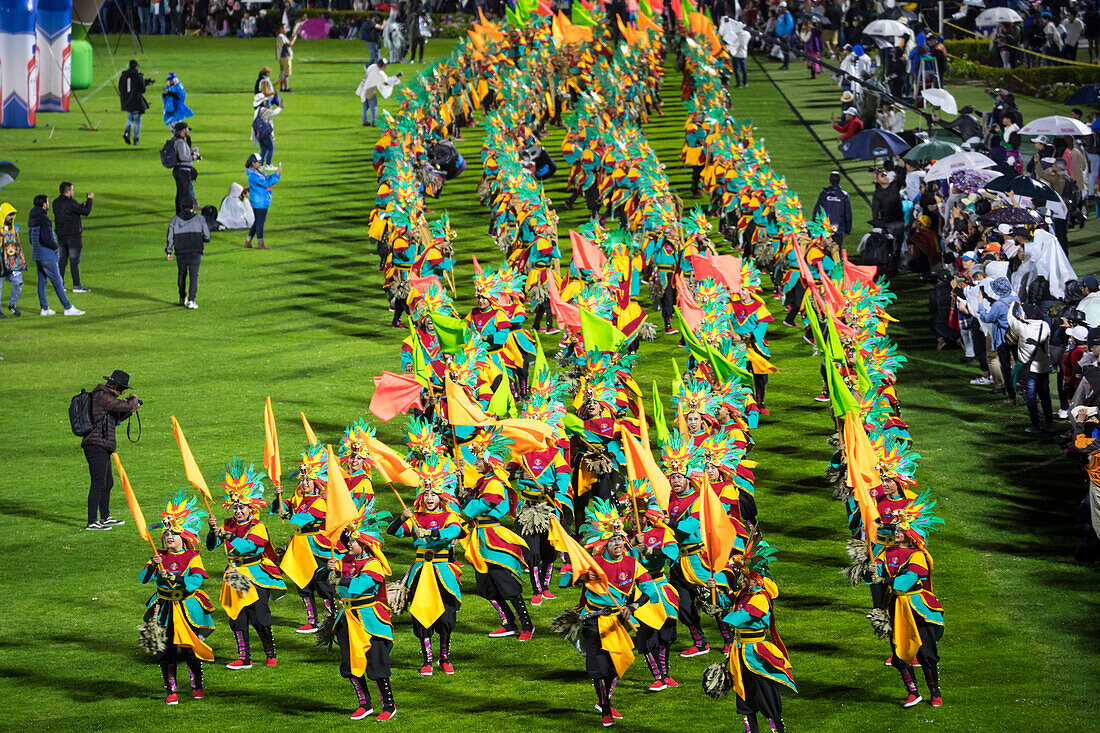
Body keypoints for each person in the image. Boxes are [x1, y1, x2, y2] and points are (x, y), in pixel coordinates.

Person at [703, 533, 796, 733]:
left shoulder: (761, 598)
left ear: (754, 581)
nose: (741, 579)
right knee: (744, 698)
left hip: (756, 654)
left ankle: (777, 730)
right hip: (739, 654)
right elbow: (727, 601)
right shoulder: (743, 594)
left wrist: (721, 613)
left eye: (745, 577)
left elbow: (742, 616)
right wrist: (714, 592)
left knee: (765, 697)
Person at [387, 455, 466, 676]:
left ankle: (445, 657)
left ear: (441, 497)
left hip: (442, 572)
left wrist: (430, 532)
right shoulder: (415, 517)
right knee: (421, 614)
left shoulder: (450, 515)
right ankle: (427, 660)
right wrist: (402, 519)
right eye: (426, 494)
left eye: (433, 494)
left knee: (446, 616)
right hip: (421, 573)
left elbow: (453, 532)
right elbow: (393, 532)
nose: (429, 497)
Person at [207, 458, 286, 670]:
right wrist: (211, 529)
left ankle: (270, 652)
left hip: (255, 572)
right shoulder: (228, 525)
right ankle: (244, 658)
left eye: (242, 507)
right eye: (235, 507)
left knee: (258, 615)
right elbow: (211, 545)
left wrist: (228, 536)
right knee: (237, 616)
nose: (238, 511)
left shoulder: (258, 526)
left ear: (251, 508)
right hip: (235, 574)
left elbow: (249, 547)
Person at [140, 491, 215, 705]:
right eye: (167, 533)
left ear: (185, 536)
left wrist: (175, 577)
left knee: (189, 649)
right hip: (163, 608)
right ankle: (171, 691)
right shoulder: (159, 556)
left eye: (173, 532)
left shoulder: (193, 556)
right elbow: (143, 578)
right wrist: (154, 565)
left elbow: (196, 581)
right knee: (165, 651)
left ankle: (197, 685)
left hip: (186, 607)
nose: (169, 536)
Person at [323, 511, 398, 722]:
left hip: (370, 620)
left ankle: (389, 705)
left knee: (376, 663)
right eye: (348, 540)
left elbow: (357, 587)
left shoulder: (374, 564)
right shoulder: (343, 561)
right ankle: (364, 703)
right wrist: (329, 570)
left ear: (364, 544)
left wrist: (336, 579)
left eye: (353, 541)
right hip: (347, 619)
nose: (348, 543)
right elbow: (326, 580)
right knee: (350, 663)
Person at [81, 369, 141, 530]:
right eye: (121, 389)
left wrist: (131, 409)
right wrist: (133, 401)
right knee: (98, 483)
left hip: (102, 445)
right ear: (114, 385)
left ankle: (105, 517)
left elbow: (116, 417)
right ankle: (92, 521)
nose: (121, 393)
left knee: (107, 482)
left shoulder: (104, 397)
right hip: (96, 445)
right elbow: (121, 405)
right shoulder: (102, 395)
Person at [29, 195, 83, 317]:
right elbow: (46, 237)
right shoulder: (44, 219)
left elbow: (32, 239)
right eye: (47, 202)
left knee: (42, 282)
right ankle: (68, 308)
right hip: (47, 255)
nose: (48, 204)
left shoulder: (32, 218)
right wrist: (54, 246)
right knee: (58, 281)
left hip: (37, 254)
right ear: (44, 204)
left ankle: (44, 309)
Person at [1008, 302, 1053, 433]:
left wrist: (1014, 304)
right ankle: (1050, 424)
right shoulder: (1045, 326)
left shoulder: (1022, 327)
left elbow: (1010, 318)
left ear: (1026, 315)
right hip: (1043, 368)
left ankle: (1035, 425)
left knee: (1031, 398)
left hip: (1029, 370)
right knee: (1045, 397)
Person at [165, 197, 211, 309]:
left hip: (181, 251)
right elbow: (207, 236)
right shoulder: (200, 219)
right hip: (195, 251)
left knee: (182, 274)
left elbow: (170, 237)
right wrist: (200, 240)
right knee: (193, 276)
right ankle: (191, 300)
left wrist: (169, 251)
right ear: (192, 207)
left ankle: (182, 298)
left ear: (181, 207)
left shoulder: (175, 220)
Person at [52, 182, 94, 293]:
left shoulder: (55, 203)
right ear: (68, 191)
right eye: (72, 190)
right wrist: (89, 200)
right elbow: (86, 212)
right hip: (73, 237)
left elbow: (68, 211)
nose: (73, 192)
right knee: (74, 261)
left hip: (61, 237)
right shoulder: (71, 203)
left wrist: (77, 206)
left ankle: (60, 286)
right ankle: (76, 285)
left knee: (62, 261)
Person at [245, 154, 281, 249]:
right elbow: (266, 183)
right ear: (253, 163)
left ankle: (248, 241)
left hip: (260, 200)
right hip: (259, 201)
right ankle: (260, 243)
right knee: (260, 222)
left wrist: (275, 174)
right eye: (259, 162)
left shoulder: (257, 172)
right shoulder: (254, 175)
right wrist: (277, 175)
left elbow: (268, 177)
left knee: (257, 221)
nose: (261, 164)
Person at [812, 172, 852, 251]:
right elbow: (848, 214)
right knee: (836, 252)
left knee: (824, 252)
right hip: (838, 229)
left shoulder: (824, 194)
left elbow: (817, 211)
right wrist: (847, 230)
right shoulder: (844, 195)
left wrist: (815, 227)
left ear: (829, 181)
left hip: (825, 229)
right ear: (839, 181)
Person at [356, 60, 402, 127]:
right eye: (384, 65)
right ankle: (374, 122)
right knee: (373, 106)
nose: (385, 67)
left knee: (365, 107)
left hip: (363, 88)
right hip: (370, 90)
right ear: (382, 65)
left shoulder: (373, 67)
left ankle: (364, 121)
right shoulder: (379, 73)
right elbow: (386, 83)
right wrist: (396, 77)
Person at [118, 59, 153, 145]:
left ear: (129, 66)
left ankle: (127, 132)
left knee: (130, 119)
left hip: (126, 101)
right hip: (136, 101)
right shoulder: (138, 76)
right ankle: (136, 139)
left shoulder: (123, 76)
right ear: (136, 67)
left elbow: (120, 88)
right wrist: (146, 83)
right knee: (137, 120)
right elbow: (142, 89)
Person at [1, 202, 26, 317]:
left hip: (13, 264)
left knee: (18, 282)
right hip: (0, 264)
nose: (11, 217)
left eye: (12, 214)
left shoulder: (15, 228)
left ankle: (13, 305)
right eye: (9, 214)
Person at [170, 122, 199, 215]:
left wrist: (189, 138)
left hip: (181, 170)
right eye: (187, 129)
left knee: (181, 193)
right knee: (183, 194)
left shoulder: (180, 140)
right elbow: (183, 157)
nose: (188, 131)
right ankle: (183, 212)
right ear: (183, 130)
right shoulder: (179, 142)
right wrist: (193, 158)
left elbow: (187, 149)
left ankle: (181, 212)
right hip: (182, 171)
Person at [251, 95, 278, 168]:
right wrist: (280, 108)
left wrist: (253, 136)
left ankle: (261, 165)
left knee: (263, 149)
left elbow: (254, 124)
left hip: (259, 134)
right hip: (265, 133)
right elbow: (273, 113)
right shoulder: (264, 110)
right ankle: (268, 165)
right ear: (263, 102)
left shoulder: (257, 111)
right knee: (270, 148)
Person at [276, 24, 297, 93]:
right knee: (286, 73)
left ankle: (282, 87)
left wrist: (292, 37)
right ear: (281, 29)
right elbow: (289, 44)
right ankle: (286, 88)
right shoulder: (280, 36)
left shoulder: (282, 37)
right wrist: (294, 39)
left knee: (282, 72)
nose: (285, 29)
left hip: (282, 56)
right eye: (284, 28)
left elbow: (287, 42)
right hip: (285, 56)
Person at [775, 2, 794, 70]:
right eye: (780, 7)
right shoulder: (781, 15)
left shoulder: (787, 15)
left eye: (782, 7)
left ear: (785, 8)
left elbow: (790, 25)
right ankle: (785, 64)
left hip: (785, 36)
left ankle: (786, 65)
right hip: (781, 35)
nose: (780, 8)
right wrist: (777, 34)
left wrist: (787, 34)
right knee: (783, 51)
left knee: (786, 51)